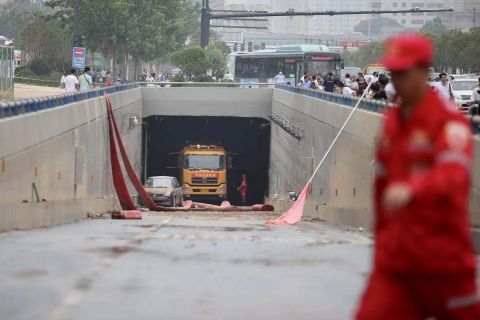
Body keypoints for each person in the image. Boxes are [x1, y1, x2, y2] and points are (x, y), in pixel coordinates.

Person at [356, 33, 480, 320]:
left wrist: (413, 190)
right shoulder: (391, 125)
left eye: (404, 72)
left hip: (444, 263)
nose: (397, 80)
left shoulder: (450, 124)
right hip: (397, 263)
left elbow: (452, 176)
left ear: (424, 72)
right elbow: (382, 190)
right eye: (394, 72)